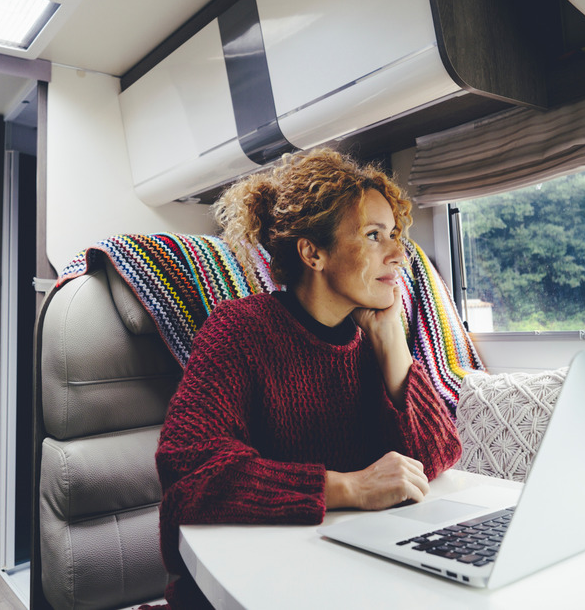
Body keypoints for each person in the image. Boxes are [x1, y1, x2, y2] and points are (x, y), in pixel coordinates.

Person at [153, 148, 462, 608]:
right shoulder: (239, 329)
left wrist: (390, 339)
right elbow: (189, 472)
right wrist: (347, 487)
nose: (399, 253)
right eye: (374, 236)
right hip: (249, 587)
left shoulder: (372, 338)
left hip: (346, 579)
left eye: (395, 234)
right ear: (313, 253)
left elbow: (437, 455)